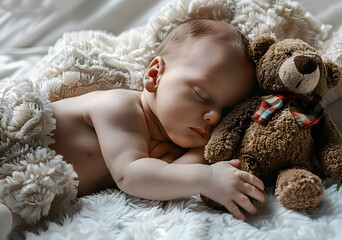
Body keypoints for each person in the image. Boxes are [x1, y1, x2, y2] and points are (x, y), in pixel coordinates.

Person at [49, 18, 266, 221]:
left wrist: (202, 153)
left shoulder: (166, 146)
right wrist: (207, 178)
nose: (214, 116)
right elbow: (131, 177)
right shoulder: (120, 107)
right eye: (200, 94)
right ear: (155, 76)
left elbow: (158, 185)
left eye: (226, 112)